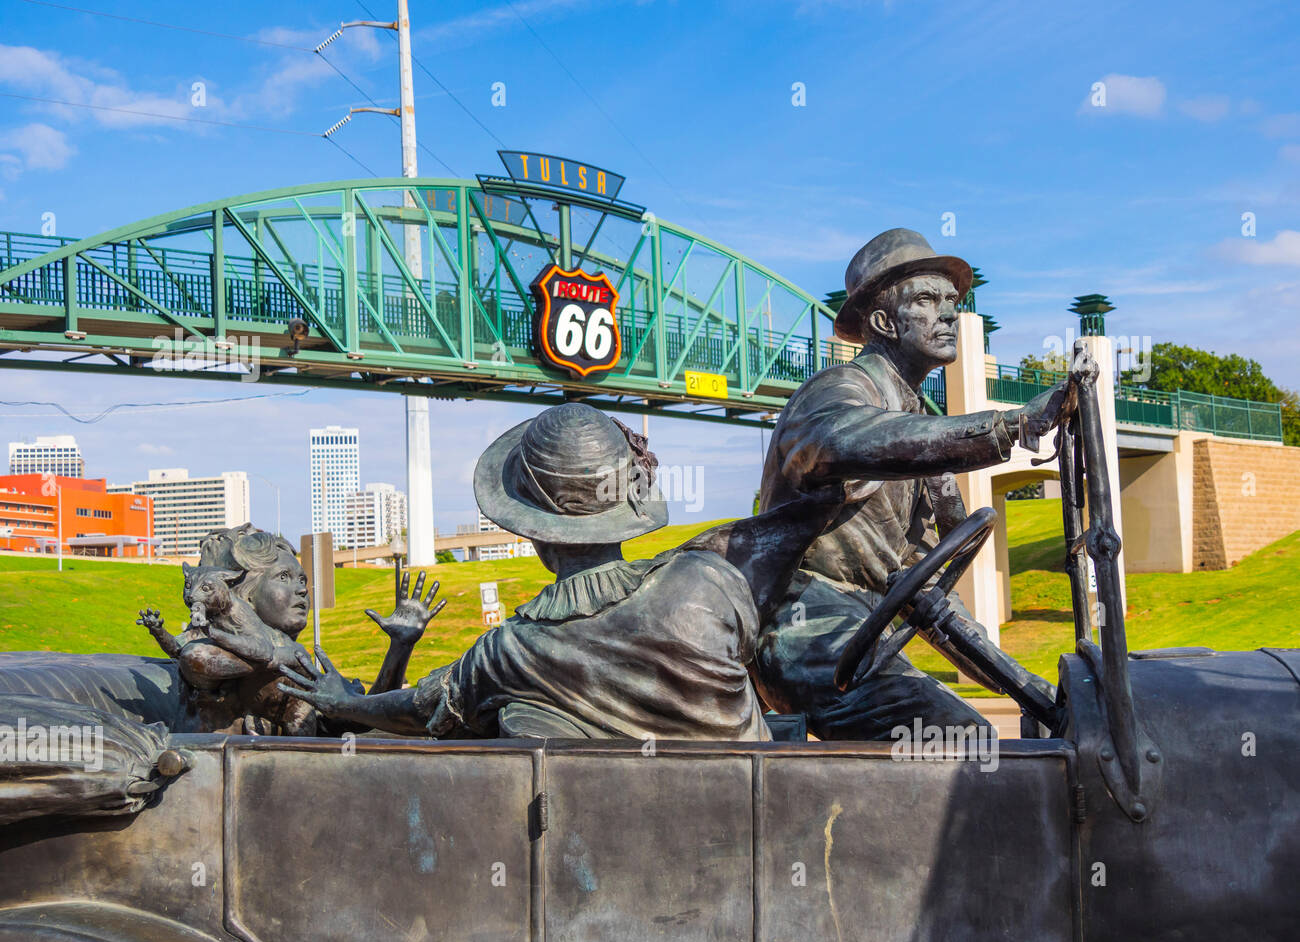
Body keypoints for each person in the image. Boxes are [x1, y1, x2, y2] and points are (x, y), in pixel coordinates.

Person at [279, 402, 825, 742]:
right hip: (754, 835)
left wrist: (344, 703)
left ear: (534, 534)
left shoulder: (511, 653)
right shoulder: (711, 583)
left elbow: (420, 708)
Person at [756, 228, 1066, 740]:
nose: (948, 314)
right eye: (926, 299)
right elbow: (838, 440)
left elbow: (925, 589)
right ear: (882, 322)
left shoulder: (914, 419)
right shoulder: (840, 390)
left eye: (951, 301)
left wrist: (1026, 688)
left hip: (858, 630)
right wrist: (1009, 426)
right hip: (805, 627)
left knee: (992, 738)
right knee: (963, 740)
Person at [152, 524, 443, 734]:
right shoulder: (214, 652)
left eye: (302, 580)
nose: (301, 589)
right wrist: (280, 656)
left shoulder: (292, 655)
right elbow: (197, 661)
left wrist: (400, 647)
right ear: (247, 593)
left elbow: (356, 715)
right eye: (284, 577)